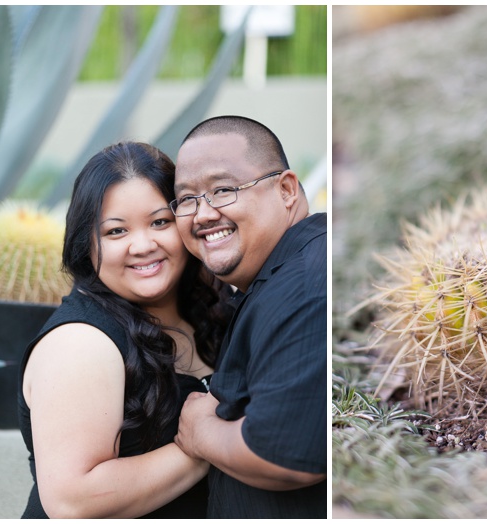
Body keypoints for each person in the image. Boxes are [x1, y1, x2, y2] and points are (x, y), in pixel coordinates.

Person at [18, 142, 233, 518]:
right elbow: (73, 501)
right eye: (117, 231)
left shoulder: (210, 305)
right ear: (87, 243)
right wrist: (205, 446)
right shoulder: (80, 344)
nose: (143, 245)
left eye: (160, 222)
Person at [171, 115, 327, 518]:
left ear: (287, 190)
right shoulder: (274, 278)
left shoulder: (306, 283)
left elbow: (287, 455)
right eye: (186, 199)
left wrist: (200, 431)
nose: (202, 214)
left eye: (223, 190)